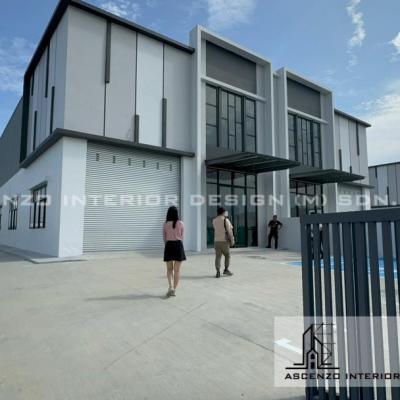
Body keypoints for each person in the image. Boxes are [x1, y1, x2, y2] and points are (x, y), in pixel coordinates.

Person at [163, 206, 186, 297]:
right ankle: (174, 290)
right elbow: (182, 236)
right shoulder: (181, 223)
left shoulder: (165, 224)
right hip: (178, 245)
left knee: (169, 269)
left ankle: (171, 286)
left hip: (169, 245)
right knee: (177, 270)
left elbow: (164, 238)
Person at [212, 207, 234, 278]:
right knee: (227, 255)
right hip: (224, 241)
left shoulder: (214, 220)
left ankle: (218, 271)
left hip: (216, 241)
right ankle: (226, 269)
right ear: (223, 212)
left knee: (218, 256)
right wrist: (232, 239)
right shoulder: (225, 220)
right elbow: (230, 231)